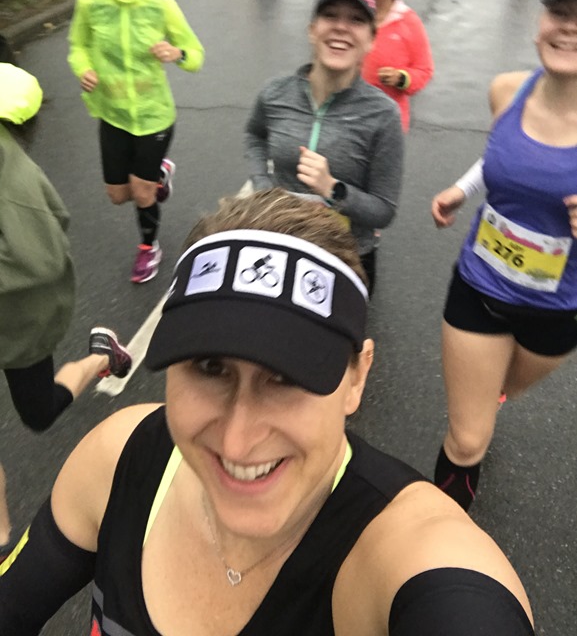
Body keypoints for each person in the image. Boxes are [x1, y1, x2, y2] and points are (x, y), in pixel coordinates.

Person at [0, 189, 535, 635]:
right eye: (210, 367)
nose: (237, 440)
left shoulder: (411, 554)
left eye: (286, 378)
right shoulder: (119, 458)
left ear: (357, 378)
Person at [430, 0, 577, 513]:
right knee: (468, 438)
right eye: (560, 12)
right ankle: (437, 535)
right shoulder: (507, 91)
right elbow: (501, 154)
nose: (568, 28)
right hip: (480, 289)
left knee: (494, 397)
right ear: (541, 21)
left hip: (557, 313)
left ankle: (482, 402)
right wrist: (462, 188)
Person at [0, 63, 132, 554]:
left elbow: (43, 259)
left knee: (38, 413)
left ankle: (101, 357)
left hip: (20, 321)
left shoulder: (14, 180)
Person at [244, 0, 403, 294]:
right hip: (279, 245)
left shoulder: (383, 115)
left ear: (371, 40)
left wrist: (333, 189)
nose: (341, 27)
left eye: (356, 20)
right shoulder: (275, 94)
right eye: (330, 15)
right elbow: (254, 134)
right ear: (312, 30)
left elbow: (384, 211)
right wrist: (263, 185)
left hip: (346, 260)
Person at [68, 0, 205, 284]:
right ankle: (160, 173)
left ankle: (149, 247)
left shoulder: (161, 5)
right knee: (118, 195)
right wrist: (83, 69)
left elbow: (196, 55)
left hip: (153, 116)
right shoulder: (90, 1)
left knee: (143, 194)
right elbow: (78, 46)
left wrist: (176, 53)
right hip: (112, 113)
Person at [359, 0, 433, 133]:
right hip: (348, 118)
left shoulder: (408, 21)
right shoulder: (351, 14)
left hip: (387, 126)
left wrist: (401, 78)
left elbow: (424, 70)